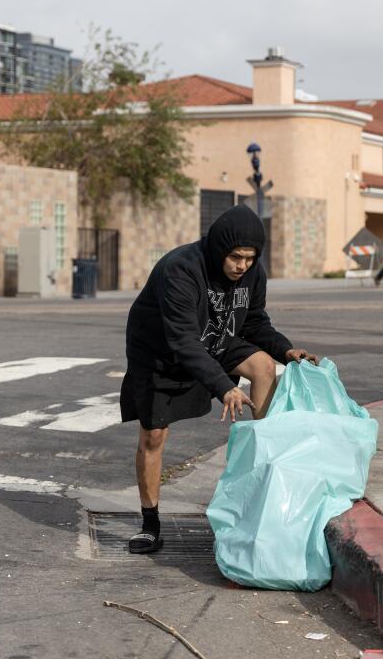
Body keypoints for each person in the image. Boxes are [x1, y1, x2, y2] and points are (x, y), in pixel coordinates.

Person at [119, 205, 318, 554]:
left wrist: (285, 351)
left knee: (263, 366)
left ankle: (266, 479)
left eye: (250, 258)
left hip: (217, 341)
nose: (242, 266)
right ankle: (150, 523)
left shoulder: (253, 275)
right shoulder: (180, 269)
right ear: (217, 250)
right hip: (161, 352)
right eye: (235, 257)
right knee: (153, 436)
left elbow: (255, 321)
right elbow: (182, 340)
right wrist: (224, 387)